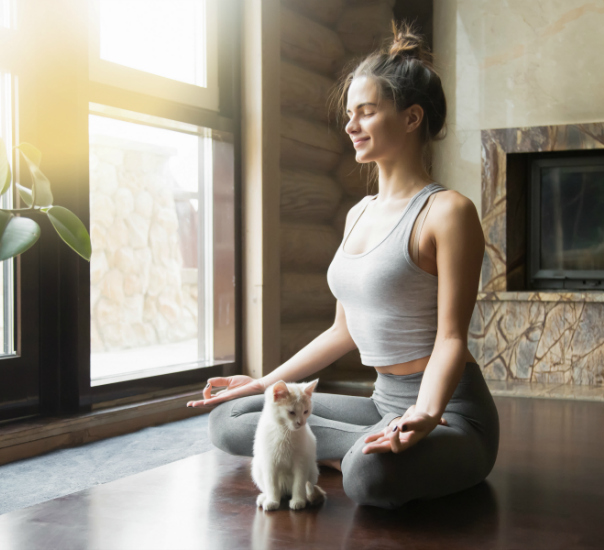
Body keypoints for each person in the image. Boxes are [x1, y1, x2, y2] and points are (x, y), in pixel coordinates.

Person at [187, 21, 499, 510]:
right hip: (380, 403)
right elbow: (342, 332)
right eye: (350, 113)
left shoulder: (448, 213)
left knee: (367, 474)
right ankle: (354, 448)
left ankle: (356, 454)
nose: (351, 125)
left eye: (367, 113)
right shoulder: (359, 213)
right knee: (233, 417)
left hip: (451, 413)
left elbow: (452, 338)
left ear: (412, 118)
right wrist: (267, 382)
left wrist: (425, 412)